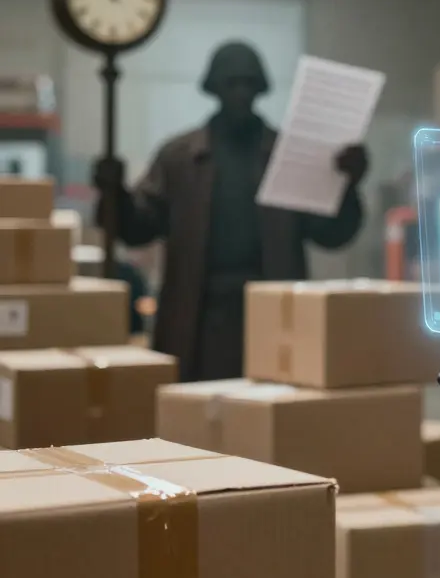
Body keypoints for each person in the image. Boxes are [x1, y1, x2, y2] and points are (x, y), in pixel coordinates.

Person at [94, 41, 368, 382]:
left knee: (271, 415)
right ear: (214, 88)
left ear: (260, 89)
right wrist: (114, 195)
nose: (240, 92)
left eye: (248, 83)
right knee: (195, 419)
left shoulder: (288, 157)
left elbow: (331, 233)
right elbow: (138, 228)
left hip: (274, 312)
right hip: (197, 316)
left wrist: (345, 186)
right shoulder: (179, 158)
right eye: (231, 83)